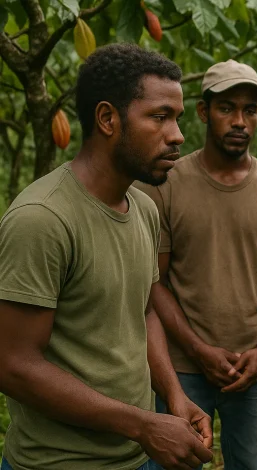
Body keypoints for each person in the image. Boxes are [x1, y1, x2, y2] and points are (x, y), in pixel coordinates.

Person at [0, 43, 213, 470]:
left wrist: (172, 396)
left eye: (178, 118)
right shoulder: (41, 219)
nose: (178, 135)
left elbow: (144, 311)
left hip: (135, 456)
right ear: (107, 119)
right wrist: (142, 425)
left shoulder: (145, 208)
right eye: (159, 116)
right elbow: (13, 364)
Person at [135, 60, 257, 470]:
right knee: (176, 461)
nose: (240, 121)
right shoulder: (165, 182)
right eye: (227, 108)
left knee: (249, 463)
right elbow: (154, 283)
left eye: (250, 109)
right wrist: (199, 350)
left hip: (256, 369)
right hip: (182, 367)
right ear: (202, 111)